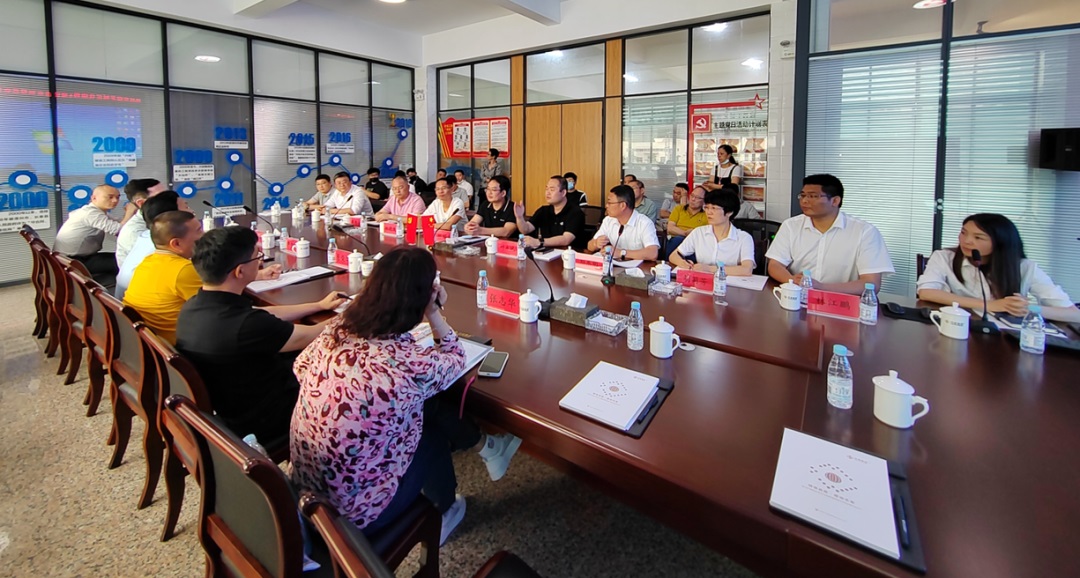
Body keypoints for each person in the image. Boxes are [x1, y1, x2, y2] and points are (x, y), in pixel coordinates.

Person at [289, 247, 521, 543]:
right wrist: (434, 313)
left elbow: (300, 368)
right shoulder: (407, 365)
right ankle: (444, 511)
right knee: (427, 431)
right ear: (423, 298)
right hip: (355, 514)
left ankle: (486, 448)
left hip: (305, 489)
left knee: (420, 408)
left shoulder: (337, 329)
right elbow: (455, 359)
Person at [176, 227, 345, 443]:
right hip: (266, 416)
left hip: (230, 397)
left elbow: (263, 313)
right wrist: (356, 311)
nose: (260, 263)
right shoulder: (246, 326)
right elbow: (311, 335)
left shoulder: (195, 305)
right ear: (240, 271)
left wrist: (318, 305)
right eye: (257, 258)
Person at [916, 213, 1080, 322]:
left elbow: (1073, 314)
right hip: (957, 327)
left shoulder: (1025, 268)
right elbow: (926, 292)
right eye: (963, 233)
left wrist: (1027, 308)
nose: (966, 241)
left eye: (978, 237)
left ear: (1000, 242)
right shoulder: (944, 257)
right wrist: (989, 305)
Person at [766, 174, 894, 295]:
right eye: (803, 195)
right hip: (797, 297)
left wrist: (820, 287)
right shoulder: (791, 226)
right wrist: (793, 281)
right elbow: (775, 265)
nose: (804, 201)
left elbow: (871, 283)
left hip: (840, 302)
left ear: (835, 201)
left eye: (813, 196)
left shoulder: (865, 232)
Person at [53, 185, 139, 288]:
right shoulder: (91, 214)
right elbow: (119, 230)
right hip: (74, 261)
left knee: (125, 257)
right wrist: (129, 212)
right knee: (128, 262)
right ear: (94, 198)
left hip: (73, 258)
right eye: (110, 197)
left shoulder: (96, 212)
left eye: (117, 197)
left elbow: (119, 223)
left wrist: (131, 214)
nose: (115, 200)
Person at [669, 190, 756, 276]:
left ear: (729, 212)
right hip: (702, 282)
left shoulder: (744, 238)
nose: (708, 212)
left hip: (730, 283)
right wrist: (683, 263)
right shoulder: (699, 232)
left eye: (714, 208)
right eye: (706, 207)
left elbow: (747, 269)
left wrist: (709, 269)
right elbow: (673, 256)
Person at [587, 184, 659, 261]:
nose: (606, 206)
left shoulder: (645, 223)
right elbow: (589, 246)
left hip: (637, 267)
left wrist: (621, 253)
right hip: (614, 265)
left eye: (610, 203)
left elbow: (653, 253)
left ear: (623, 205)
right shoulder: (608, 220)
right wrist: (596, 243)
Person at [514, 175, 585, 250]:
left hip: (569, 254)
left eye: (552, 189)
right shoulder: (543, 210)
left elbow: (566, 239)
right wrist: (519, 217)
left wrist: (539, 242)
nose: (547, 193)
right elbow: (526, 229)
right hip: (546, 252)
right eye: (546, 189)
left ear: (563, 192)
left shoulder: (575, 212)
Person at [116, 178, 167, 267]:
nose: (170, 199)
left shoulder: (163, 219)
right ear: (141, 203)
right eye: (161, 197)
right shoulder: (134, 231)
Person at [664, 185, 709, 256]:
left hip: (695, 243)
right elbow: (670, 228)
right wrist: (686, 233)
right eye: (692, 195)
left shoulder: (707, 215)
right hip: (676, 239)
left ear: (704, 201)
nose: (693, 199)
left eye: (697, 198)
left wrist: (692, 236)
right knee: (678, 240)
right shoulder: (679, 209)